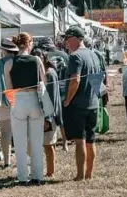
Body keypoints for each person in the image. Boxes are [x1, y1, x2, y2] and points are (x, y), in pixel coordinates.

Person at [4, 33, 47, 185]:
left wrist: (13, 105)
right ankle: (38, 176)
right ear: (29, 43)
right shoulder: (36, 60)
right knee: (37, 141)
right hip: (35, 99)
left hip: (18, 100)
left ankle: (22, 177)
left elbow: (8, 88)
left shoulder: (9, 63)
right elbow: (44, 81)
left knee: (20, 143)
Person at [62, 26, 104, 180]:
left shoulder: (75, 56)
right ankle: (89, 174)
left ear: (74, 38)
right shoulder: (94, 55)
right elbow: (98, 79)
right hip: (93, 103)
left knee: (80, 140)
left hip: (78, 105)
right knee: (91, 140)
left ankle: (80, 175)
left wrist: (67, 99)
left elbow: (75, 79)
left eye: (66, 38)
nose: (65, 42)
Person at [32, 48, 62, 178]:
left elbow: (51, 98)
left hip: (48, 115)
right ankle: (50, 170)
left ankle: (50, 173)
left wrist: (48, 118)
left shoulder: (49, 74)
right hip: (46, 114)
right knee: (48, 145)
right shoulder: (44, 73)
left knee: (48, 145)